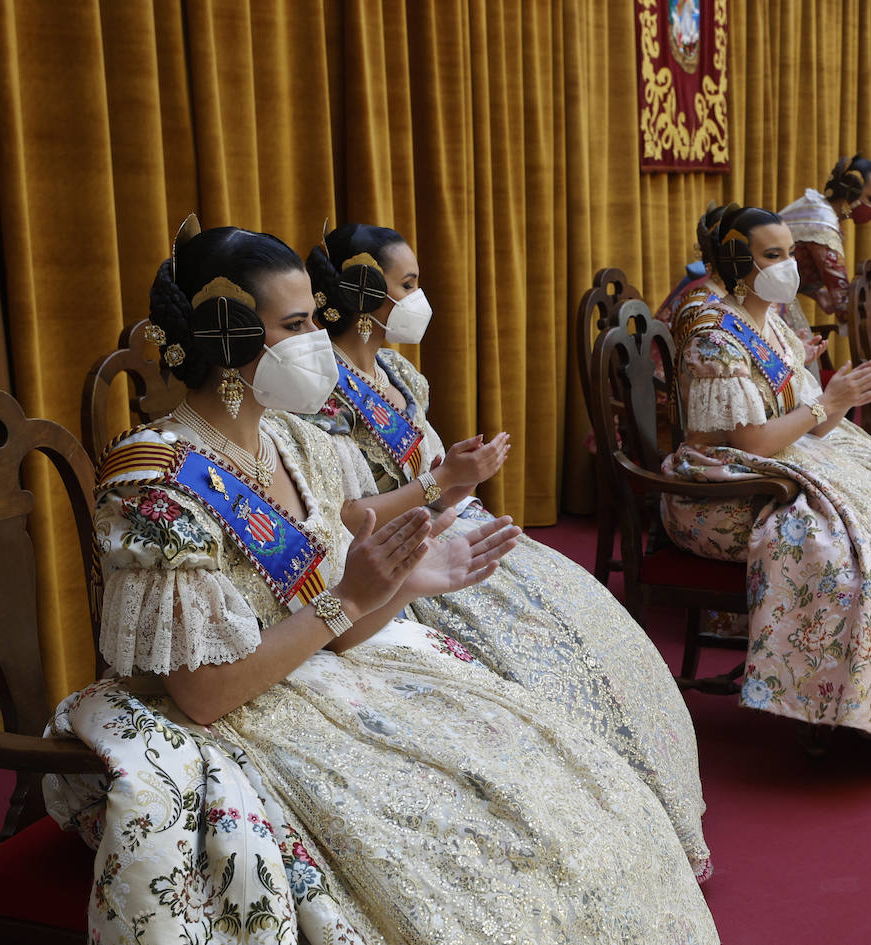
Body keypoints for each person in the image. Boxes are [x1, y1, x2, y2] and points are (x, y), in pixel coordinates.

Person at [47, 220, 721, 944]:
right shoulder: (155, 479)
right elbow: (205, 693)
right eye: (297, 324)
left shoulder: (299, 442)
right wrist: (355, 596)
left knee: (562, 790)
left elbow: (345, 624)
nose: (318, 339)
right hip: (227, 721)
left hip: (323, 678)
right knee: (468, 861)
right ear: (227, 336)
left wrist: (405, 580)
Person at [299, 222, 712, 877]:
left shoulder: (397, 372)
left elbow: (425, 473)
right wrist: (440, 484)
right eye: (407, 285)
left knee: (590, 628)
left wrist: (455, 476)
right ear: (365, 294)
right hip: (404, 562)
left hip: (457, 522)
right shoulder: (318, 389)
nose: (419, 297)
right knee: (542, 661)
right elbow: (346, 515)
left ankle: (657, 820)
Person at [660, 202, 871, 761]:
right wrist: (830, 403)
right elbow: (751, 443)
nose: (790, 266)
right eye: (774, 255)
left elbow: (805, 417)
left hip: (778, 465)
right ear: (738, 262)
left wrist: (841, 396)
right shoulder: (712, 335)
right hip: (724, 490)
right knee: (846, 552)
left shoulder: (766, 319)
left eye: (790, 253)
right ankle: (843, 699)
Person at [779, 154, 871, 328]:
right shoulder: (822, 224)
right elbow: (843, 299)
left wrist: (816, 293)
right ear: (852, 192)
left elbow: (796, 263)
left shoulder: (814, 207)